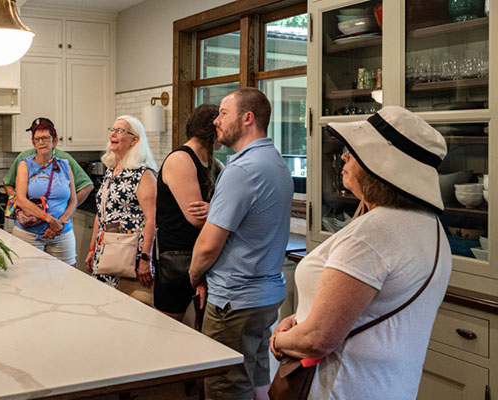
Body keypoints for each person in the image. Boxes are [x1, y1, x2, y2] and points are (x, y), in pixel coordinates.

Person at [268, 106, 452, 399]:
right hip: (389, 387)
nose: (343, 157)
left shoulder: (374, 233)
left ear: (376, 165)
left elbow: (318, 339)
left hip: (340, 388)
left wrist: (279, 342)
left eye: (351, 152)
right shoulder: (431, 227)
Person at [188, 88, 293, 400]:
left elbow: (209, 244)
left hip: (233, 301)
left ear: (248, 118)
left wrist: (195, 275)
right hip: (265, 297)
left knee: (226, 387)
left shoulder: (241, 170)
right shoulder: (275, 161)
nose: (216, 121)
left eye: (223, 113)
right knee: (257, 377)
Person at [154, 104, 222, 322]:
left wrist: (215, 210)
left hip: (201, 256)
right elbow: (196, 218)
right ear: (212, 130)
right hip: (177, 260)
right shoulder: (181, 159)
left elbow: (219, 210)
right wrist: (221, 213)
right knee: (169, 329)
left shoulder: (213, 163)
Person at [85, 116, 157, 306]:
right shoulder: (111, 171)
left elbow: (151, 219)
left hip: (130, 257)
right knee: (104, 310)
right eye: (113, 129)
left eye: (120, 131)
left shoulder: (144, 174)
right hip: (106, 254)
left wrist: (145, 259)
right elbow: (101, 215)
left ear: (135, 140)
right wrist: (92, 248)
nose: (113, 134)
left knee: (131, 311)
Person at [12, 118, 78, 264]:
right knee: (29, 281)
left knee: (66, 279)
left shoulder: (65, 165)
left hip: (62, 233)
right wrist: (49, 219)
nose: (41, 142)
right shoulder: (25, 164)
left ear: (54, 141)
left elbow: (73, 201)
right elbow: (21, 200)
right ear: (33, 143)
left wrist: (59, 224)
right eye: (37, 139)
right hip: (29, 234)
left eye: (45, 138)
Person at [3, 117, 94, 206]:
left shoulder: (64, 159)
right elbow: (8, 183)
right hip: (30, 217)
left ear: (53, 138)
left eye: (45, 137)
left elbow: (87, 186)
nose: (41, 141)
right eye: (36, 135)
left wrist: (66, 210)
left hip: (59, 219)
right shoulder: (24, 158)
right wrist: (19, 207)